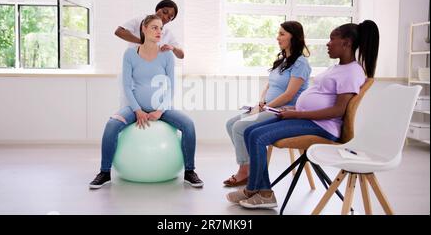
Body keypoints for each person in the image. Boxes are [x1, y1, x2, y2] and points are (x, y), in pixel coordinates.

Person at [226, 20, 380, 209]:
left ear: (346, 43)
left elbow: (338, 110)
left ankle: (262, 192)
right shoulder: (338, 68)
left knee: (256, 135)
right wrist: (293, 110)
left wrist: (297, 114)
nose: (327, 44)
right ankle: (257, 189)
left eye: (332, 39)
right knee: (250, 131)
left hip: (322, 127)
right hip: (309, 118)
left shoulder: (352, 72)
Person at [90, 15, 203, 189]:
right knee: (111, 125)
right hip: (135, 108)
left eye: (161, 29)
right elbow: (127, 86)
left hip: (162, 108)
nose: (159, 32)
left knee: (188, 124)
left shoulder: (166, 55)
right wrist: (137, 110)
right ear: (144, 28)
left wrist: (160, 110)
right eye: (154, 28)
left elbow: (171, 86)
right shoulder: (130, 54)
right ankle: (104, 172)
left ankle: (189, 171)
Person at [223, 21, 311, 187]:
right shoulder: (283, 60)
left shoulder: (300, 63)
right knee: (231, 124)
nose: (277, 37)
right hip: (269, 107)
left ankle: (244, 172)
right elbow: (269, 84)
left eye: (282, 34)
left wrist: (266, 107)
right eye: (278, 33)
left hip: (283, 111)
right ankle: (248, 166)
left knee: (239, 126)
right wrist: (261, 101)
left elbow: (289, 95)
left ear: (294, 37)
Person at [115, 0, 184, 59]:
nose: (166, 17)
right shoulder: (140, 20)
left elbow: (181, 55)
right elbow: (119, 31)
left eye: (169, 17)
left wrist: (173, 48)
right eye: (165, 12)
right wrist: (143, 42)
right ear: (158, 9)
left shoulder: (167, 33)